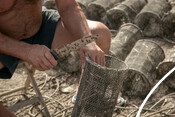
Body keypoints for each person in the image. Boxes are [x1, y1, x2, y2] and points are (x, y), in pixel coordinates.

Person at [0, 0, 111, 116]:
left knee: (99, 33)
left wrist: (87, 41)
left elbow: (68, 6)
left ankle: (87, 93)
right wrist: (26, 50)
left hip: (40, 27)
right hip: (4, 42)